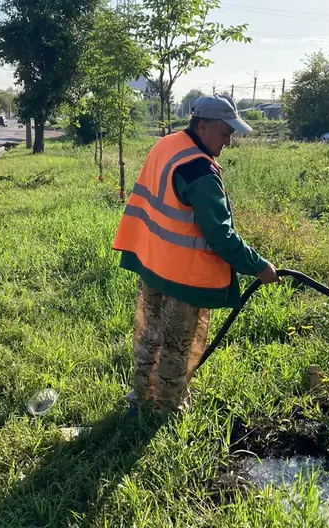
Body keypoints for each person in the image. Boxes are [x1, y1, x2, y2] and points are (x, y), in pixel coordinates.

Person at [113, 94, 280, 412]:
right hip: (183, 276)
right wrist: (259, 266)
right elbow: (220, 235)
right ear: (202, 126)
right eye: (225, 134)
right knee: (176, 344)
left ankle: (140, 394)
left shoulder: (168, 144)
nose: (228, 142)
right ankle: (166, 409)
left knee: (150, 334)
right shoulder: (200, 172)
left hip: (154, 262)